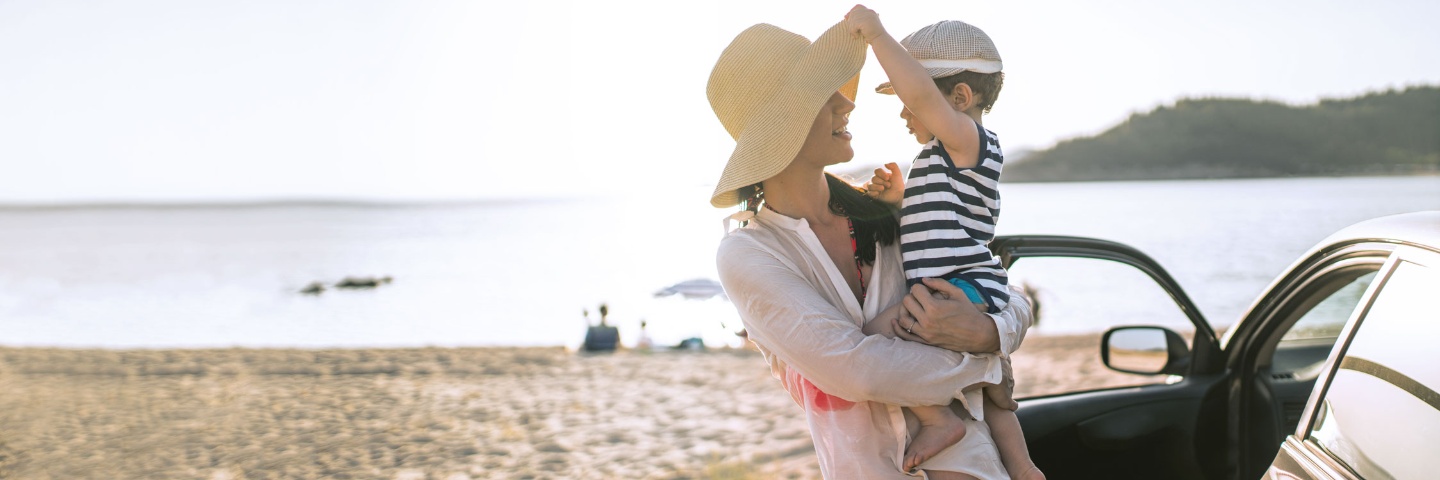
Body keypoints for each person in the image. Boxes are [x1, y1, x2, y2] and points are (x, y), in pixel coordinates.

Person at [709, 19, 1035, 479]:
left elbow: (999, 284)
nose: (848, 102)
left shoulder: (888, 211)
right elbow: (859, 372)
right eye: (825, 95)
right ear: (782, 125)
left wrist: (991, 332)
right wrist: (987, 364)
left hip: (975, 467)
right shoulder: (750, 255)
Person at [847, 6, 1043, 479]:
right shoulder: (941, 159)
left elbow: (920, 93)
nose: (902, 108)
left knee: (873, 339)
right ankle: (1024, 468)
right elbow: (936, 225)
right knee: (994, 395)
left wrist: (877, 35)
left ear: (959, 97)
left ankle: (938, 420)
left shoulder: (969, 141)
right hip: (971, 287)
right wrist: (900, 201)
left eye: (911, 99)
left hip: (960, 285)